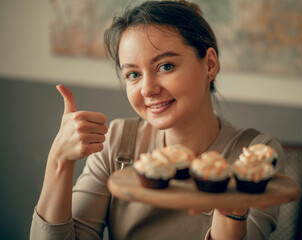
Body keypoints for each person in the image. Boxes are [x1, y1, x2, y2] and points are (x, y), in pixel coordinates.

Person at [30, 1, 284, 239]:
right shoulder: (117, 141)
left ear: (209, 65)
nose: (147, 89)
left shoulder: (256, 157)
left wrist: (231, 206)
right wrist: (59, 161)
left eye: (165, 67)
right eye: (133, 74)